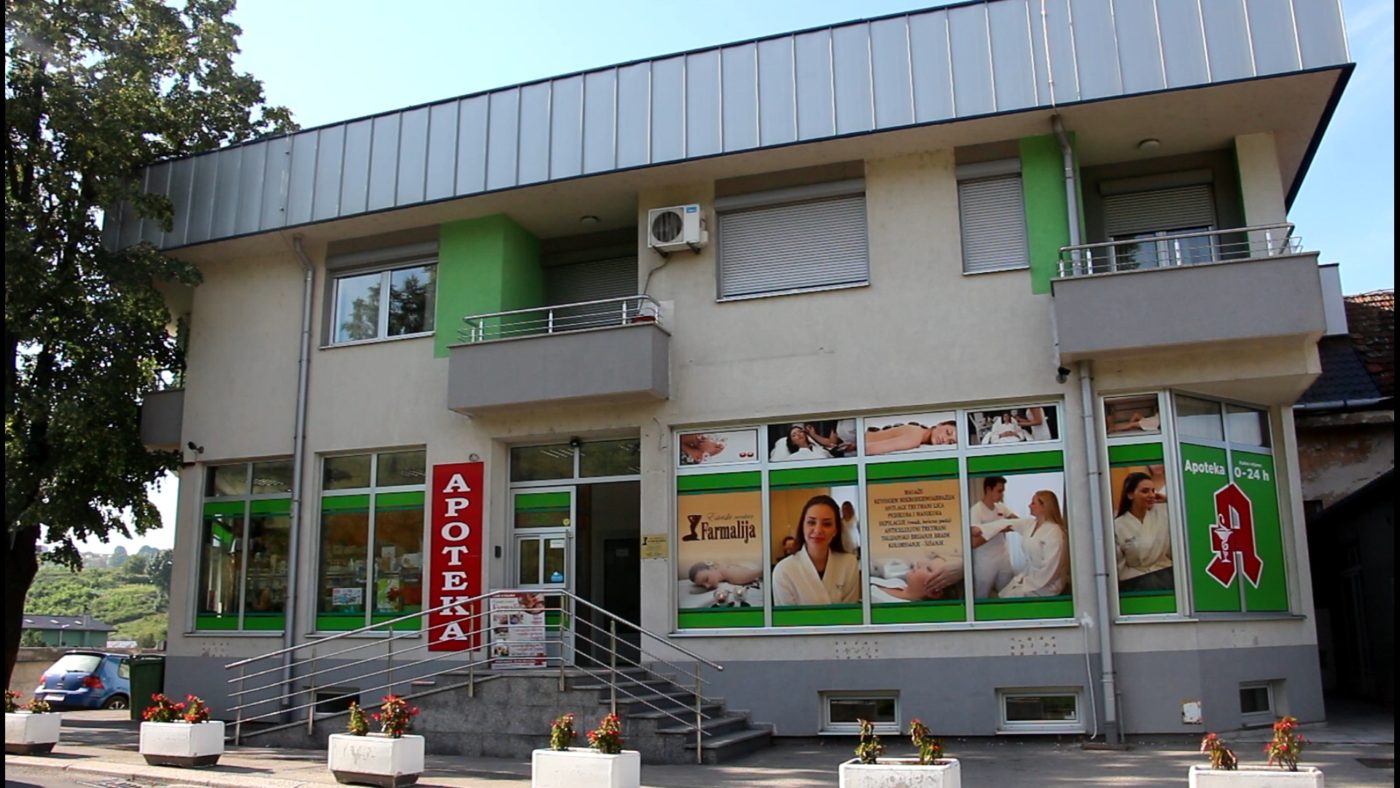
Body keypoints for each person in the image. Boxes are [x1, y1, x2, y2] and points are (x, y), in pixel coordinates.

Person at [772, 495, 860, 606]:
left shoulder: (849, 564)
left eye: (827, 524)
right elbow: (788, 617)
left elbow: (850, 614)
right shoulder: (783, 570)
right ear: (802, 526)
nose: (818, 530)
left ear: (835, 530)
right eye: (811, 522)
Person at [979, 490, 1070, 598]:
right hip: (1030, 578)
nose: (1029, 505)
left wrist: (1027, 583)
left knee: (1010, 597)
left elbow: (1051, 568)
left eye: (1033, 503)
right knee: (1003, 595)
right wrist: (980, 529)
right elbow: (1007, 523)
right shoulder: (1030, 524)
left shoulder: (1054, 532)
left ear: (1044, 507)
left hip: (1047, 584)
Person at [1114, 469, 1173, 591]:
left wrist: (1168, 500)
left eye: (1153, 491)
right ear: (1130, 495)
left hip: (1166, 575)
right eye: (1145, 491)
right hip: (1136, 582)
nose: (1151, 495)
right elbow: (1119, 566)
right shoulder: (1118, 525)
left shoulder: (1162, 513)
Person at [970, 476, 1022, 598]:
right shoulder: (976, 510)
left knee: (1008, 592)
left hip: (1003, 557)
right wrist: (998, 528)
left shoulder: (1001, 507)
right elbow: (974, 539)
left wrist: (1011, 523)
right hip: (985, 561)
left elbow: (1016, 521)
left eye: (1003, 491)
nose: (1002, 495)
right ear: (988, 489)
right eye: (999, 491)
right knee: (981, 596)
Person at [688, 561, 762, 590]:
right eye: (702, 586)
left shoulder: (726, 571)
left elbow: (758, 572)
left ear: (711, 568)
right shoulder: (723, 574)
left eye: (706, 579)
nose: (707, 586)